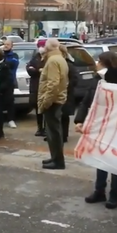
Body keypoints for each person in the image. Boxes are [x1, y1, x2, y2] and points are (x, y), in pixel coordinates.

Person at [76, 51, 117, 209]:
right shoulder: (97, 80)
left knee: (115, 160)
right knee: (101, 159)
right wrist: (79, 119)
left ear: (106, 63)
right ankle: (100, 190)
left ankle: (114, 194)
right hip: (101, 124)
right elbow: (87, 100)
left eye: (99, 61)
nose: (96, 64)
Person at [38, 38, 69, 170]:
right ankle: (55, 158)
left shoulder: (53, 60)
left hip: (53, 101)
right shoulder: (59, 58)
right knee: (54, 132)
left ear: (49, 47)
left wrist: (45, 102)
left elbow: (53, 84)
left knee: (53, 133)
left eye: (44, 45)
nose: (43, 47)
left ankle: (58, 161)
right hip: (57, 99)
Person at [60, 44, 80, 144]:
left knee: (64, 115)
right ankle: (59, 135)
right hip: (62, 93)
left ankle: (63, 135)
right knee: (59, 115)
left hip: (66, 94)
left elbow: (75, 79)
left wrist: (66, 86)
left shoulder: (68, 65)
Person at [27, 40, 46, 136]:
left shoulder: (48, 57)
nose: (41, 48)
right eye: (40, 46)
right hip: (35, 86)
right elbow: (29, 68)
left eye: (43, 46)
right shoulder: (36, 57)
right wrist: (38, 70)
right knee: (38, 109)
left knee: (45, 109)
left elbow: (45, 70)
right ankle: (40, 128)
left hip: (45, 87)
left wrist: (37, 69)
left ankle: (46, 128)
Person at [1, 40, 20, 128]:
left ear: (12, 46)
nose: (6, 46)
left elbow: (12, 64)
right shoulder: (1, 54)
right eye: (4, 44)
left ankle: (11, 120)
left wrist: (2, 61)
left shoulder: (14, 56)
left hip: (10, 82)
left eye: (8, 44)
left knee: (9, 101)